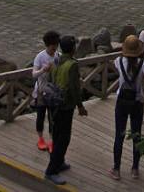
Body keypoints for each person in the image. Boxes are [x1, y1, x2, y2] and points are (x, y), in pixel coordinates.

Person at [44, 36, 87, 185]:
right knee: (64, 138)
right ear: (73, 49)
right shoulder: (72, 65)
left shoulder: (55, 60)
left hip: (53, 102)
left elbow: (50, 78)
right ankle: (51, 170)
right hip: (65, 105)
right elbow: (75, 89)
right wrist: (80, 106)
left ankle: (59, 162)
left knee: (56, 135)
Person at [109, 34, 144, 181]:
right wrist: (143, 88)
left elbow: (117, 70)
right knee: (137, 135)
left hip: (122, 101)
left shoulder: (119, 61)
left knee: (119, 135)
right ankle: (135, 168)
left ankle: (116, 169)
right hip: (137, 101)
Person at [32, 29, 60, 152]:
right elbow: (34, 74)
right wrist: (43, 70)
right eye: (53, 47)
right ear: (48, 45)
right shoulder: (40, 56)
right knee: (41, 116)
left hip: (53, 91)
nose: (55, 49)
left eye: (56, 46)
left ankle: (52, 140)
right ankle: (40, 138)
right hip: (41, 91)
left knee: (53, 118)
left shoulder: (58, 56)